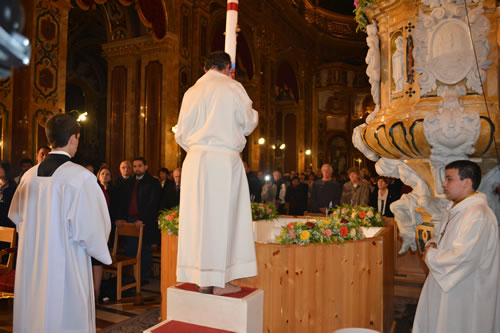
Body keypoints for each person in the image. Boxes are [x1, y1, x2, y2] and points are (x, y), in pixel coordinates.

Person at [8, 113, 111, 333]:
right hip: (67, 264)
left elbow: (17, 218)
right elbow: (95, 230)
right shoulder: (80, 178)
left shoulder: (27, 176)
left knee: (33, 316)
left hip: (32, 264)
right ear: (74, 138)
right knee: (66, 317)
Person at [175, 51, 258, 295]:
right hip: (224, 160)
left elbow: (180, 132)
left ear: (205, 69)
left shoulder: (191, 92)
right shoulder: (233, 87)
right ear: (227, 68)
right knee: (226, 219)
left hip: (196, 161)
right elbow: (248, 122)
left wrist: (198, 148)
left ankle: (202, 278)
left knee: (198, 219)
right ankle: (221, 282)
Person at [413, 160, 500, 333]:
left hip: (464, 294)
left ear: (467, 182)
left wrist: (430, 254)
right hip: (449, 287)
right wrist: (432, 244)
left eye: (449, 179)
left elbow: (463, 258)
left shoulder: (477, 215)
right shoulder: (457, 209)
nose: (444, 184)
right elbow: (440, 237)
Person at [115, 157, 161, 281]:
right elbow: (123, 203)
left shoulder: (153, 182)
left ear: (145, 167)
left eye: (139, 166)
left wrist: (143, 219)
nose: (136, 168)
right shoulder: (129, 182)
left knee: (144, 251)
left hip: (143, 223)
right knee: (130, 251)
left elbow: (153, 204)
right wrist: (120, 218)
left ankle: (143, 278)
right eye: (134, 166)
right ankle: (131, 278)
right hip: (129, 222)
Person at [93, 166, 116, 302]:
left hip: (103, 227)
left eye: (108, 174)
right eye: (103, 174)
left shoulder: (109, 191)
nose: (105, 176)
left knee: (97, 259)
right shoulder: (94, 189)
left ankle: (96, 293)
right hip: (92, 227)